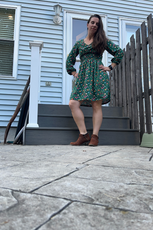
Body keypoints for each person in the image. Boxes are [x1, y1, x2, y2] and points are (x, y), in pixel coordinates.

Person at [66, 14, 124, 146]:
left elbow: (119, 52)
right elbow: (70, 59)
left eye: (97, 24)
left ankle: (95, 137)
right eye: (92, 22)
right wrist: (73, 72)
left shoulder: (102, 41)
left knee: (96, 105)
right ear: (87, 24)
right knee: (73, 103)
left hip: (98, 74)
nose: (94, 25)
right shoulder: (79, 43)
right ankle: (83, 134)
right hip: (83, 76)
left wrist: (110, 67)